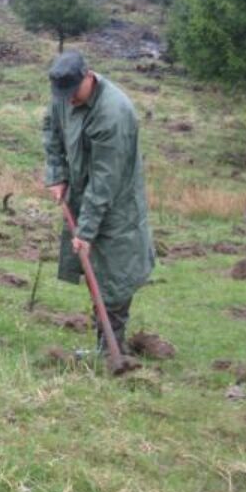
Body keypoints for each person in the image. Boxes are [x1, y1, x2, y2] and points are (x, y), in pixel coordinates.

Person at [43, 50, 155, 354]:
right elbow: (52, 132)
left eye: (73, 93)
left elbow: (104, 181)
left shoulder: (113, 113)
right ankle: (107, 346)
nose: (67, 101)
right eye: (62, 95)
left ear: (88, 76)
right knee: (93, 269)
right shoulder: (64, 95)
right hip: (82, 194)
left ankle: (112, 350)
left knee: (114, 275)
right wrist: (56, 174)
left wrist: (86, 231)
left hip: (117, 204)